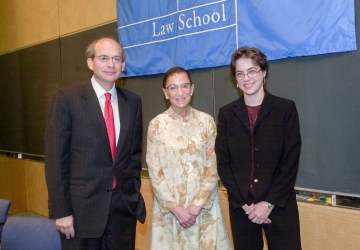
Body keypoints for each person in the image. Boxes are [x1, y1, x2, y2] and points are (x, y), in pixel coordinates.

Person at [45, 37, 146, 250]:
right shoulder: (67, 99)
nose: (111, 64)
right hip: (81, 211)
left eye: (116, 59)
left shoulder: (133, 102)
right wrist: (61, 210)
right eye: (104, 58)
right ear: (91, 63)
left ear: (123, 65)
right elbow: (56, 159)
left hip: (122, 210)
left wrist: (133, 191)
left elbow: (134, 156)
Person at [215, 46, 302, 250]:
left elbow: (290, 161)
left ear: (263, 72)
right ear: (235, 79)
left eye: (252, 70)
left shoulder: (285, 109)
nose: (246, 78)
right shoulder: (227, 114)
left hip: (279, 205)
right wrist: (245, 204)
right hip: (242, 209)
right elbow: (223, 162)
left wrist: (268, 203)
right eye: (240, 73)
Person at [146, 67, 232, 250]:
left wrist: (196, 206)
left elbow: (213, 165)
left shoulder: (207, 122)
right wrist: (176, 209)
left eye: (184, 86)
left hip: (203, 209)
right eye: (173, 87)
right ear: (165, 92)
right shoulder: (156, 125)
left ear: (192, 89)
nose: (180, 92)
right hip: (170, 211)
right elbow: (155, 172)